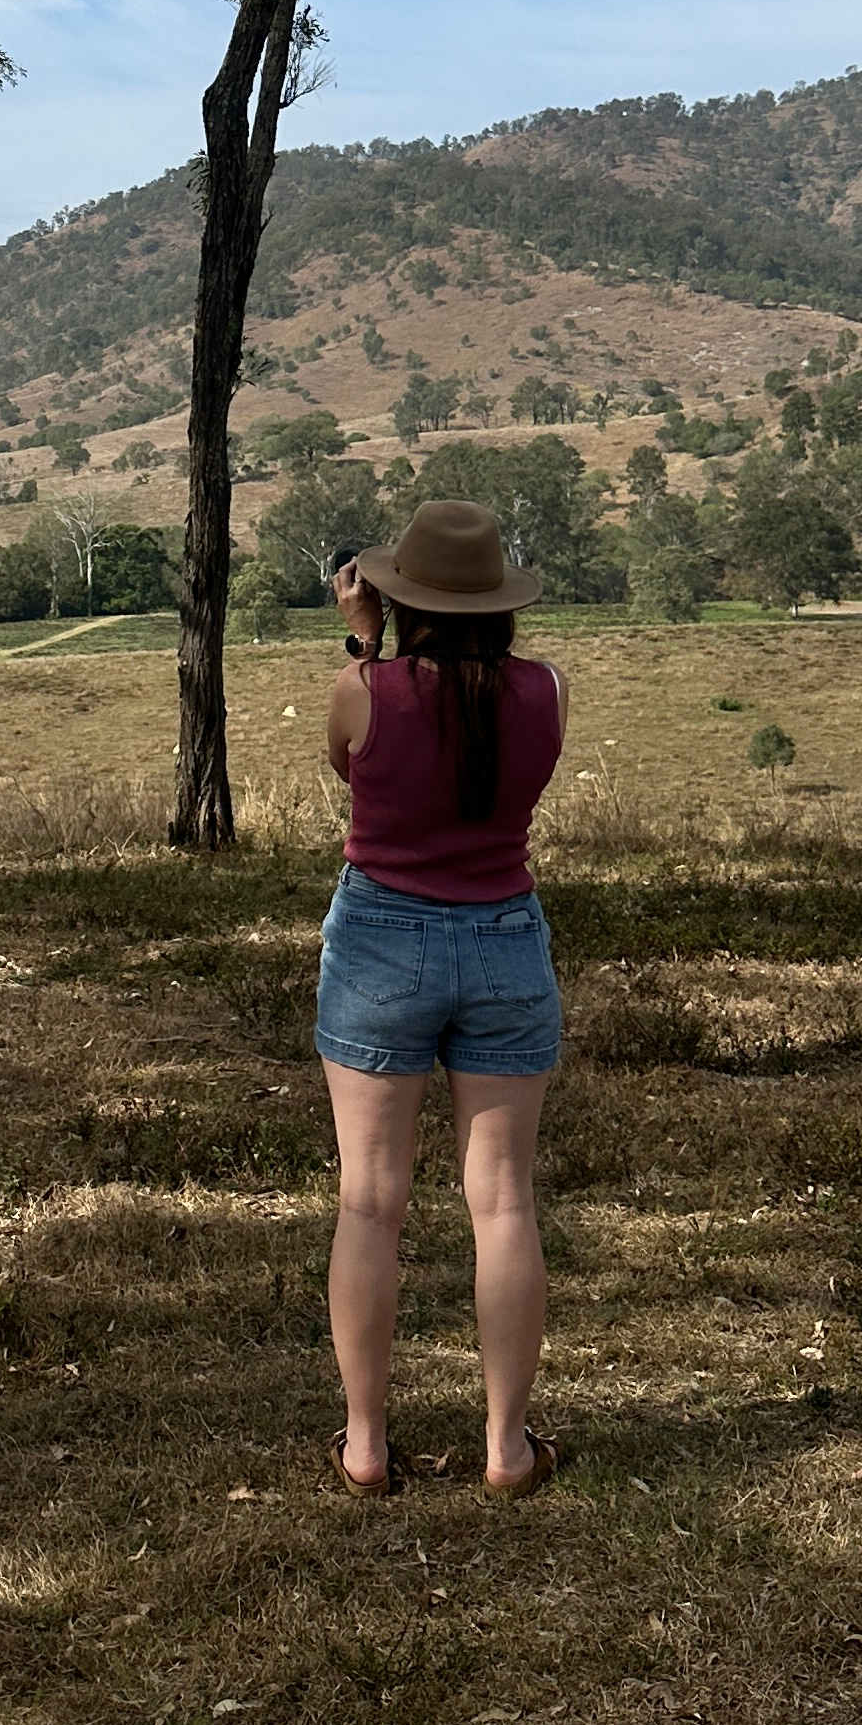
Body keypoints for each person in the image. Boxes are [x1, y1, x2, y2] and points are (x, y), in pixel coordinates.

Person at [315, 497, 568, 1497]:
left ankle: (367, 1444)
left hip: (382, 939)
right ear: (501, 605)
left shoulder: (362, 689)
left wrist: (365, 643)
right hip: (505, 938)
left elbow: (353, 766)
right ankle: (508, 1448)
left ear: (396, 596)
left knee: (370, 1203)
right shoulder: (547, 690)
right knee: (502, 1202)